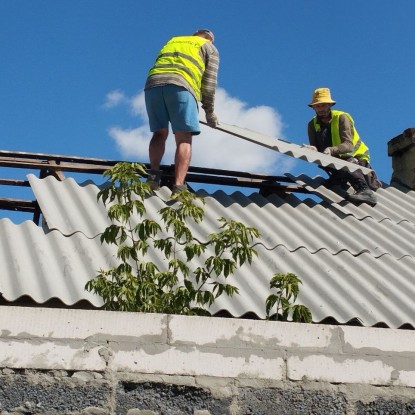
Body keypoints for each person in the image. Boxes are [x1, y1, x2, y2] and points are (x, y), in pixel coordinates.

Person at [144, 29, 219, 194]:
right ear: (210, 40)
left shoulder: (174, 40)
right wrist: (209, 112)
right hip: (181, 87)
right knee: (183, 138)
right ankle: (178, 186)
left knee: (159, 133)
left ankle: (153, 176)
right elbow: (209, 84)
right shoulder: (209, 47)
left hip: (153, 86)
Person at [305, 87, 380, 205]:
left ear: (330, 105)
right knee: (322, 162)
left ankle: (364, 190)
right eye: (318, 106)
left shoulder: (341, 118)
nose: (321, 109)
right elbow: (316, 147)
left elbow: (349, 145)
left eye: (324, 105)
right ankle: (339, 178)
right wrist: (312, 149)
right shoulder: (312, 124)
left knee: (347, 161)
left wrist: (330, 150)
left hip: (355, 159)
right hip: (333, 160)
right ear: (313, 107)